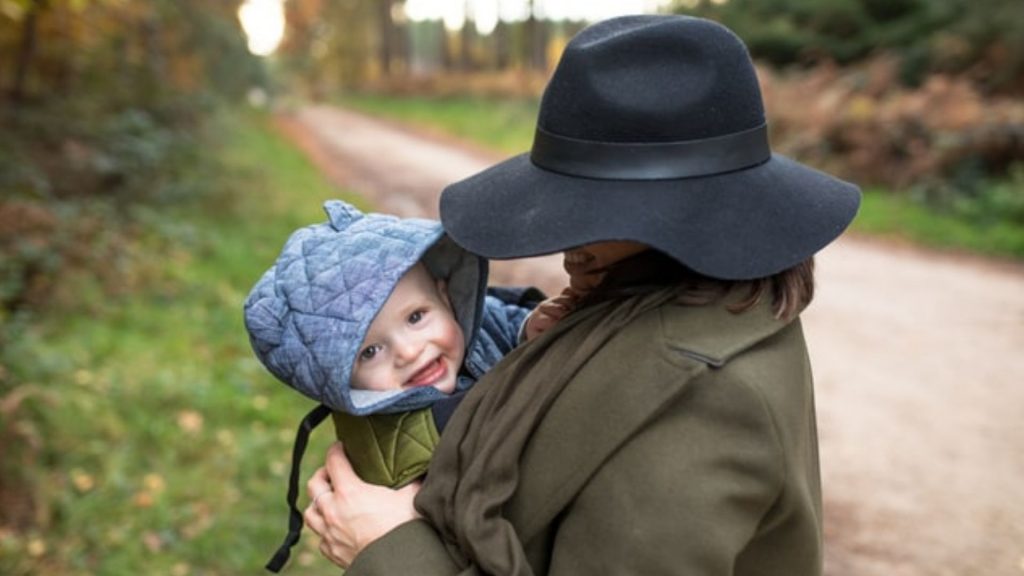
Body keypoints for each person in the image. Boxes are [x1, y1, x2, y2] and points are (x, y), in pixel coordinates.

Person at [303, 14, 861, 576]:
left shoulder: (699, 395)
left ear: (679, 217)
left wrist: (388, 548)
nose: (566, 246)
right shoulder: (697, 311)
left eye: (588, 208)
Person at [242, 199, 549, 571]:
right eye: (370, 351)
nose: (408, 351)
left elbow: (491, 314)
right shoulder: (399, 447)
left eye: (416, 317)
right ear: (340, 381)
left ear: (445, 296)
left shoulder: (465, 332)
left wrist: (528, 327)